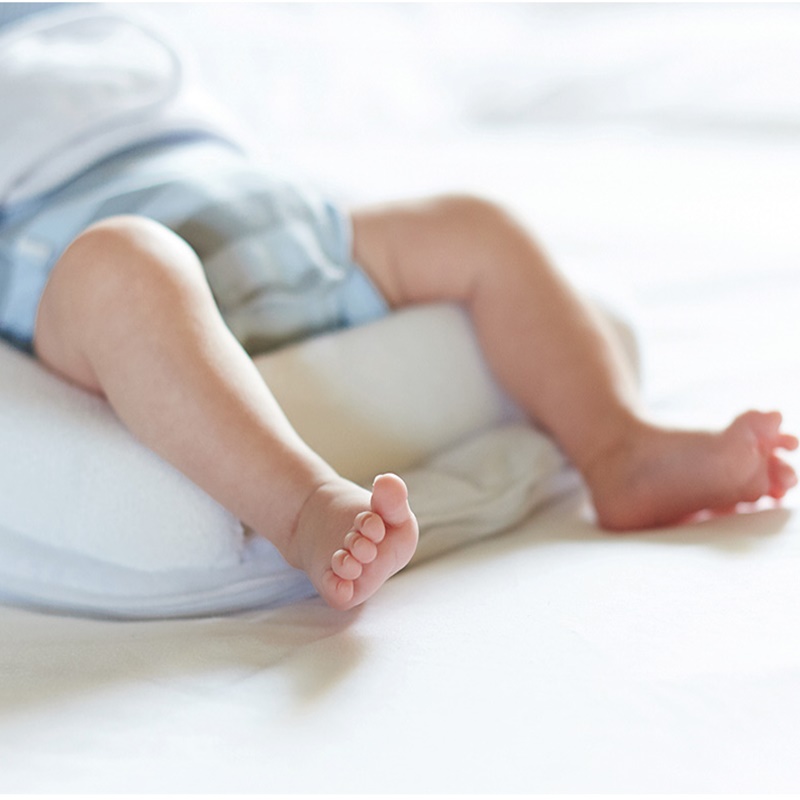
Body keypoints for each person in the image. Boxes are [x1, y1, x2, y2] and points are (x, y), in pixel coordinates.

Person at [1, 5, 797, 611]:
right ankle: (307, 508)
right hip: (81, 245)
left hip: (291, 232)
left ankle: (620, 446)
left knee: (476, 225)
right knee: (124, 269)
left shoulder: (105, 30)